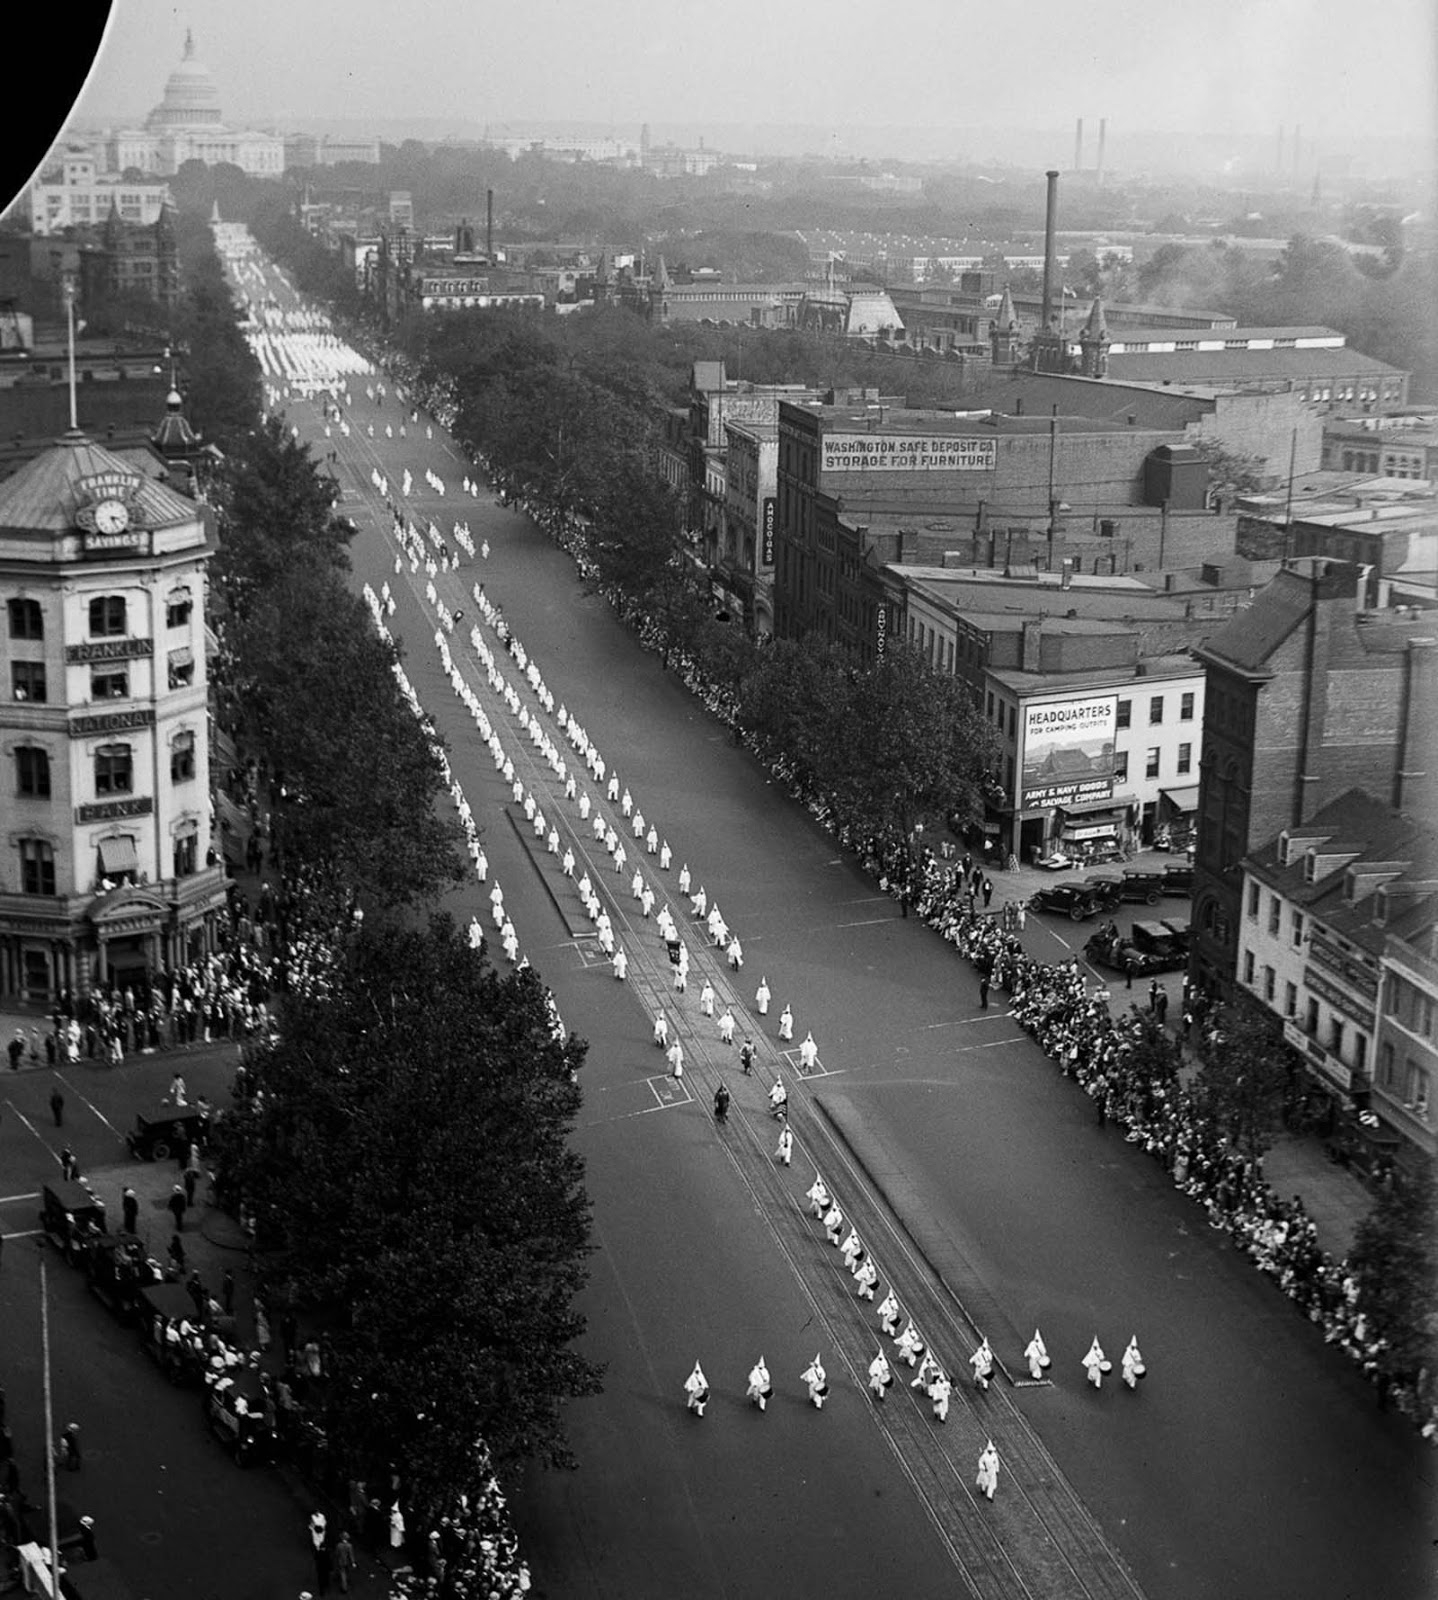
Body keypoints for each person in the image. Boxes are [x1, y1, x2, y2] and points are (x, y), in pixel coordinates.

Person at [332, 1529, 355, 1594]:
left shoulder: (339, 1545)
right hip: (347, 1562)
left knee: (343, 1574)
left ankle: (344, 1588)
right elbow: (351, 1555)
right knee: (347, 1571)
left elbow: (336, 1553)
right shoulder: (350, 1545)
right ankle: (347, 1580)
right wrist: (353, 1562)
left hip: (340, 1561)